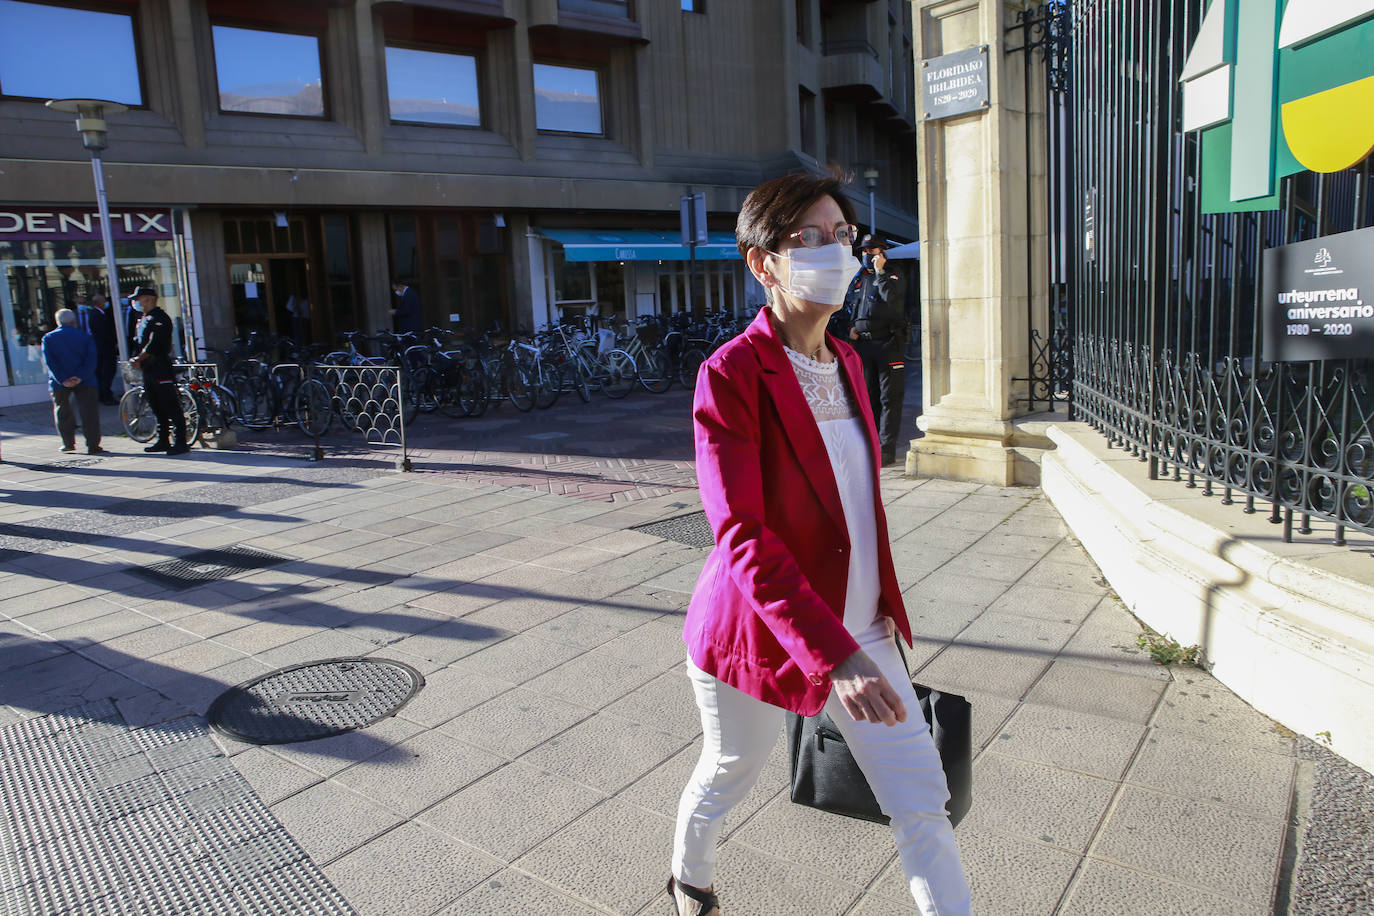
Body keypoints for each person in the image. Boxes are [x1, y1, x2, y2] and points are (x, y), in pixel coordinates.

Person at [668, 173, 970, 916]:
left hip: (864, 626)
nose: (834, 251)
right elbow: (741, 533)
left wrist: (874, 619)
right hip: (759, 628)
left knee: (923, 804)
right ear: (763, 262)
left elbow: (857, 504)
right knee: (733, 766)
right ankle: (689, 878)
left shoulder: (851, 363)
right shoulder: (733, 373)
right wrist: (832, 655)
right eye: (808, 238)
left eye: (841, 236)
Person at [842, 233, 910, 465]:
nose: (865, 255)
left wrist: (881, 271)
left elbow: (891, 299)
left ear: (881, 252)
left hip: (888, 344)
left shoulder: (893, 273)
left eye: (870, 251)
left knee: (889, 398)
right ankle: (870, 446)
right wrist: (852, 327)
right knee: (867, 397)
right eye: (863, 250)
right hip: (865, 345)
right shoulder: (861, 278)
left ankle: (886, 450)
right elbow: (854, 306)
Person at [128, 286, 189, 456]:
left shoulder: (160, 318)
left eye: (138, 299)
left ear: (148, 299)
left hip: (160, 367)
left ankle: (181, 442)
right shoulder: (144, 319)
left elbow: (153, 344)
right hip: (148, 369)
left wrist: (139, 358)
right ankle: (163, 440)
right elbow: (138, 343)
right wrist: (137, 360)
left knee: (171, 405)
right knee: (156, 405)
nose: (136, 302)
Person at [41, 309, 103, 455]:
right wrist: (80, 376)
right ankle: (93, 445)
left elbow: (50, 362)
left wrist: (62, 379)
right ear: (74, 321)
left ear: (58, 322)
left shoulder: (48, 338)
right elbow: (91, 360)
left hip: (59, 382)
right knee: (89, 413)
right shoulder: (85, 337)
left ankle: (68, 443)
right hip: (86, 380)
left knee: (62, 411)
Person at [78, 292, 120, 405]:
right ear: (99, 303)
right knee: (106, 372)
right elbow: (104, 333)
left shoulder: (99, 314)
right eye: (104, 301)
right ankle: (105, 396)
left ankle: (104, 394)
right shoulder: (96, 315)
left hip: (103, 349)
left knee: (105, 373)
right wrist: (113, 343)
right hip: (104, 349)